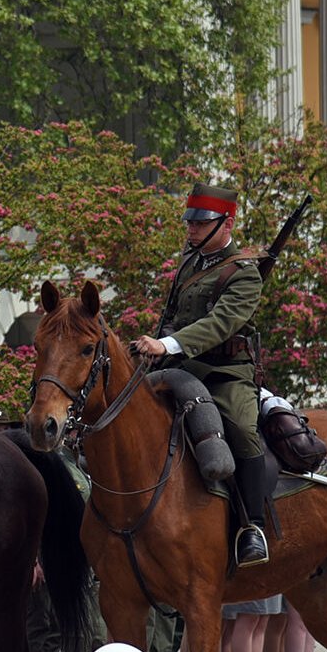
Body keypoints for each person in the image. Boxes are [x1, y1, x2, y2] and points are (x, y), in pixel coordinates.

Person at [131, 182, 271, 569]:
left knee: (243, 429)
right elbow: (172, 316)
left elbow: (221, 322)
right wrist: (153, 347)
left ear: (226, 224)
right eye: (189, 222)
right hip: (180, 368)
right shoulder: (189, 264)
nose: (191, 229)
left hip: (226, 372)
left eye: (201, 222)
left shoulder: (244, 273)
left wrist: (169, 345)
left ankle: (252, 528)